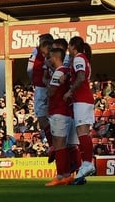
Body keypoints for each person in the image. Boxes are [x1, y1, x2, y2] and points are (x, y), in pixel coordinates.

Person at [45, 47, 77, 186]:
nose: (49, 60)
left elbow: (51, 92)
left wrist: (47, 84)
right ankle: (67, 175)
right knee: (65, 145)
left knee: (59, 145)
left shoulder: (59, 72)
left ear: (56, 58)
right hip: (67, 112)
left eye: (50, 57)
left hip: (59, 111)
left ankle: (61, 176)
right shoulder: (67, 71)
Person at [66, 37, 96, 184]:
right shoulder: (83, 58)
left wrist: (70, 91)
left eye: (69, 47)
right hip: (86, 100)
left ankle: (87, 163)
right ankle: (86, 164)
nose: (68, 50)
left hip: (82, 100)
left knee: (82, 132)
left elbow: (81, 77)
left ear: (73, 47)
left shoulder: (78, 58)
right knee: (83, 133)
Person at [28, 34, 54, 145]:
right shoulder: (58, 52)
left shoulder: (36, 51)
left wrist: (33, 81)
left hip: (42, 87)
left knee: (42, 116)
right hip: (54, 87)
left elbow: (29, 69)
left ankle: (51, 141)